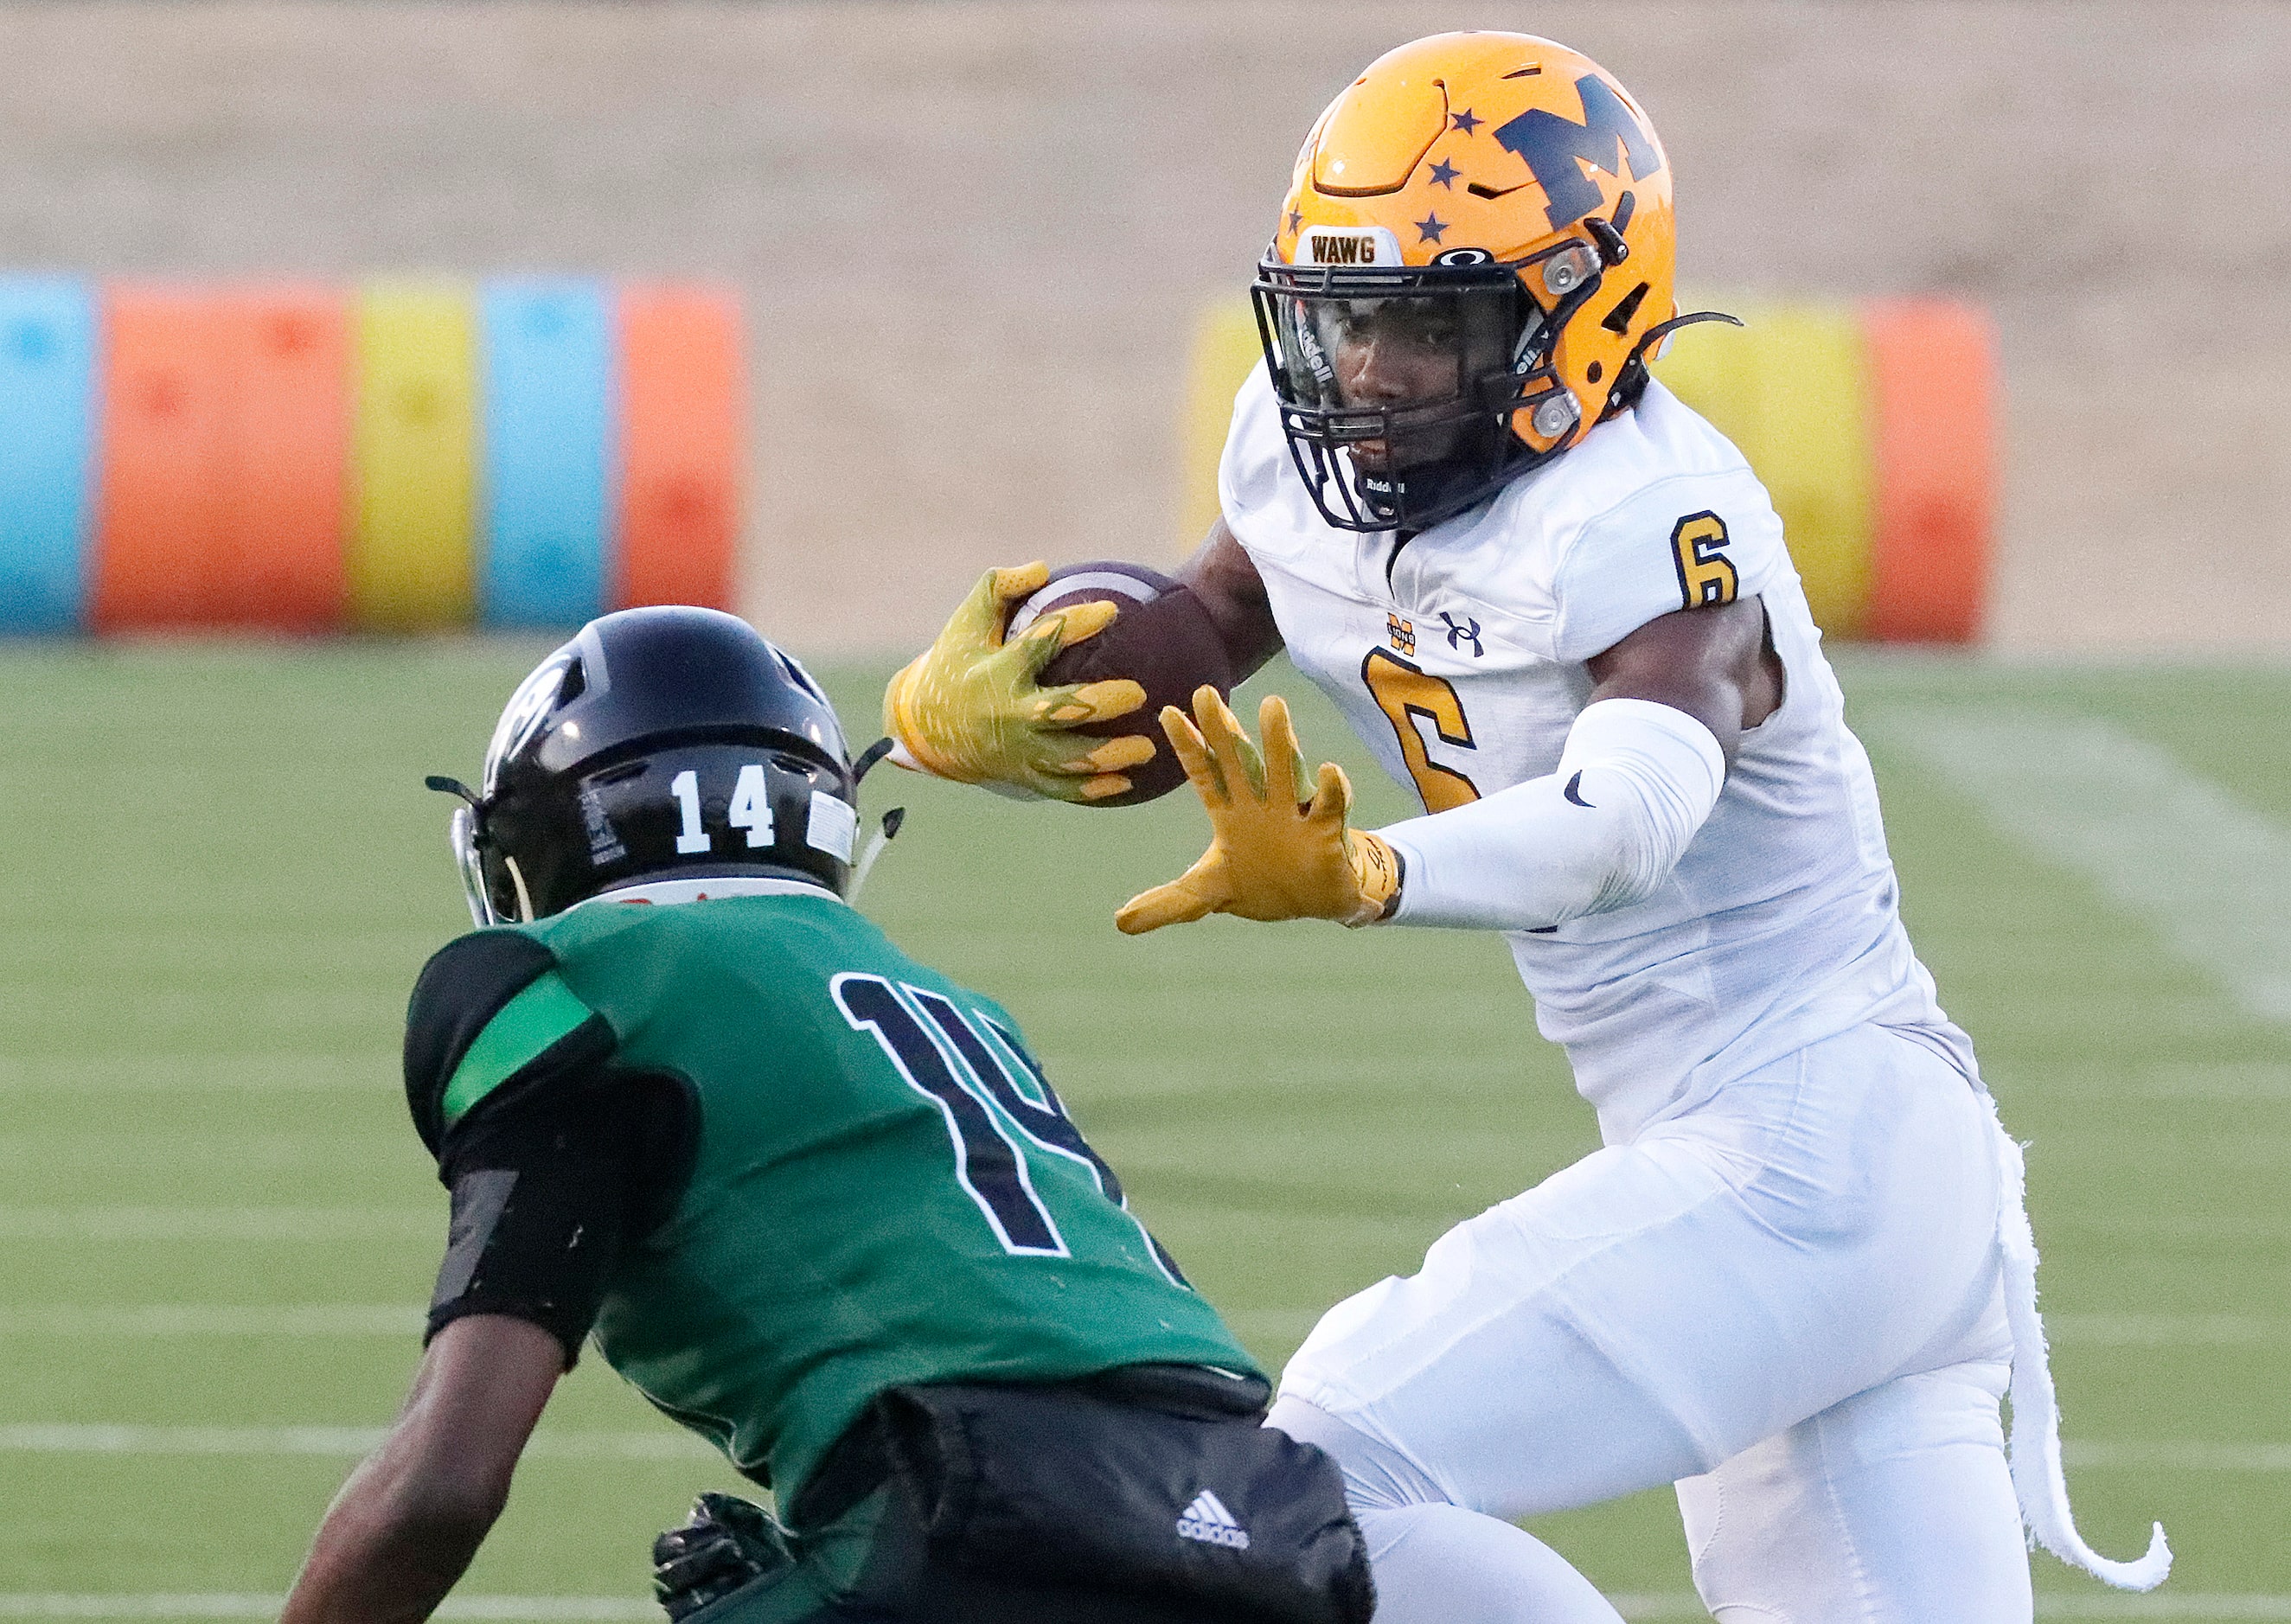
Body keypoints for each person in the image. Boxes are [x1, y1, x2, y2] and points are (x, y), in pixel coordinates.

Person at [880, 31, 2170, 1624]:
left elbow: (1623, 818)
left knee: (1319, 1468)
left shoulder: (1650, 512)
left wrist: (1363, 872)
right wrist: (948, 723)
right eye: (1342, 317)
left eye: (1426, 322)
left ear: (1581, 307)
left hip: (1807, 1148)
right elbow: (1200, 635)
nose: (1365, 370)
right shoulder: (1309, 461)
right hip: (1801, 1172)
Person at [277, 606, 1373, 1624]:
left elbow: (442, 1488)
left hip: (980, 1520)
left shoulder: (574, 984)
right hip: (1255, 1520)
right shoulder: (950, 1007)